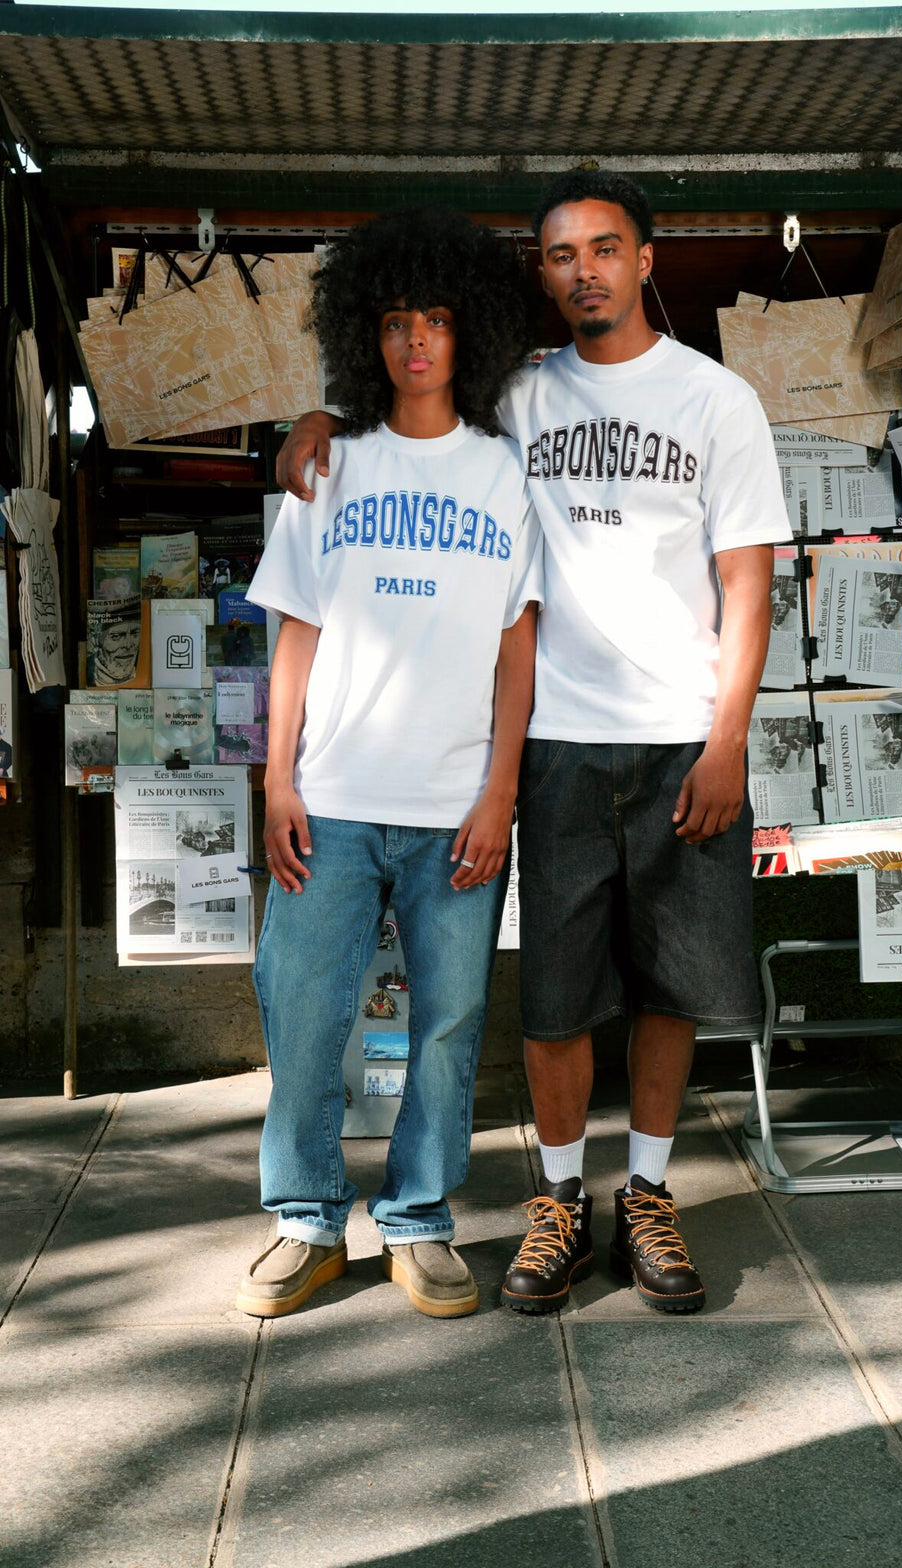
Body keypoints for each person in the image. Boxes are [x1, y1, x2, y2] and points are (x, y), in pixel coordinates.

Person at [277, 170, 791, 1316]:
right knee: (555, 998)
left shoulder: (718, 403)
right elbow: (408, 416)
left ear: (644, 259)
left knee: (671, 987)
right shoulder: (520, 395)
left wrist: (727, 742)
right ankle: (560, 1200)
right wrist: (318, 422)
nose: (583, 271)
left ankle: (646, 1194)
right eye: (560, 255)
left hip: (678, 741)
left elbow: (746, 585)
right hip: (555, 738)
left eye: (604, 249)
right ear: (542, 273)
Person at [236, 207, 541, 1321]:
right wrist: (278, 778)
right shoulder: (332, 464)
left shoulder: (505, 476)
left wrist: (500, 788)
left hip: (454, 801)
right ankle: (306, 1220)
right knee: (303, 1011)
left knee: (450, 1022)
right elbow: (296, 630)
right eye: (398, 319)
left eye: (441, 320)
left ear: (475, 335)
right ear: (369, 332)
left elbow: (519, 648)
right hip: (333, 800)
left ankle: (417, 1220)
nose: (418, 341)